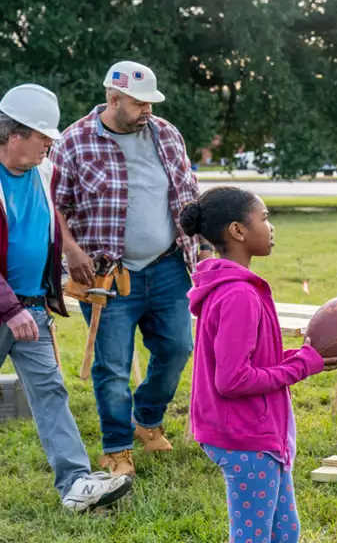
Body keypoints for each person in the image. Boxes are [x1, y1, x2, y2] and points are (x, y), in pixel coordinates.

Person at [49, 60, 215, 477]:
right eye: (139, 103)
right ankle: (117, 449)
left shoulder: (167, 133)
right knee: (113, 366)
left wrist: (205, 247)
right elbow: (54, 207)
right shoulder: (73, 142)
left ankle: (147, 419)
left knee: (177, 348)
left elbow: (188, 195)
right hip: (107, 276)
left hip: (168, 265)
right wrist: (70, 249)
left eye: (150, 103)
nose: (148, 110)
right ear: (113, 99)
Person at [179, 186, 337, 543]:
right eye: (264, 218)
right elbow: (233, 379)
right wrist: (301, 367)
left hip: (257, 432)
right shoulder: (238, 294)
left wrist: (301, 357)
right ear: (238, 230)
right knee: (252, 536)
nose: (271, 227)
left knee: (286, 532)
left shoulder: (237, 287)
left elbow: (250, 362)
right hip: (245, 437)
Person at [0, 84, 133, 511]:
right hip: (8, 309)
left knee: (50, 394)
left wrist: (47, 290)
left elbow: (47, 233)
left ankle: (75, 484)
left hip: (32, 309)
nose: (50, 145)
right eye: (43, 137)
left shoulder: (45, 173)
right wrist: (10, 308)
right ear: (14, 134)